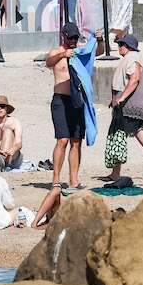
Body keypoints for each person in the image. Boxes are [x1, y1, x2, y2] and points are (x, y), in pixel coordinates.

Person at [104, 34, 143, 182]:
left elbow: (135, 78)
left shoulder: (132, 58)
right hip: (142, 106)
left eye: (121, 44)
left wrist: (121, 98)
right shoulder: (136, 57)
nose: (119, 47)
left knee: (117, 136)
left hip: (131, 108)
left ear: (128, 46)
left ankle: (115, 174)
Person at [44, 23, 97, 190]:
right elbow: (48, 62)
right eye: (71, 38)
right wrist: (63, 54)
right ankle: (56, 179)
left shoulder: (79, 52)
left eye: (76, 38)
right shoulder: (57, 52)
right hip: (61, 100)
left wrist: (100, 40)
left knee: (76, 141)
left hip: (77, 100)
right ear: (64, 36)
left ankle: (74, 180)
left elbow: (97, 51)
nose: (74, 41)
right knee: (62, 140)